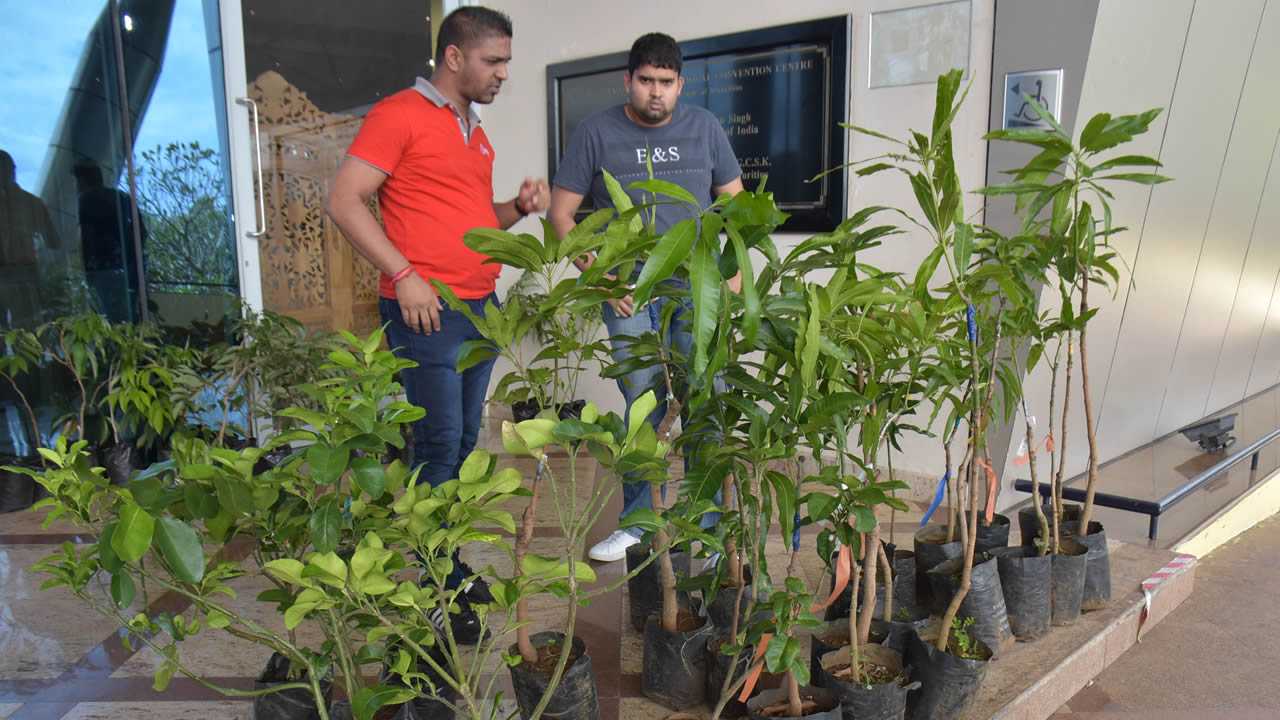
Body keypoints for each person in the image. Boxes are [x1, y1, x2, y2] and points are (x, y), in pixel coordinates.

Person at [325, 6, 549, 644]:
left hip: (480, 310)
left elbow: (471, 225)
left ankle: (445, 564)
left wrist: (516, 208)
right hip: (427, 310)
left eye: (506, 60)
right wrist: (404, 274)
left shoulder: (475, 133)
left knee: (460, 447)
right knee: (438, 444)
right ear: (454, 57)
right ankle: (437, 588)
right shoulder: (398, 114)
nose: (504, 73)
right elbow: (343, 200)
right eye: (493, 61)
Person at [548, 32, 743, 562]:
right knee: (642, 408)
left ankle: (704, 526)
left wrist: (730, 272)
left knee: (703, 402)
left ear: (680, 84)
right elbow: (561, 218)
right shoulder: (595, 132)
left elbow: (736, 208)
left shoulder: (704, 128)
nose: (655, 92)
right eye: (646, 81)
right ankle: (637, 524)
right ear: (628, 81)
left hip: (694, 289)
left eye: (666, 82)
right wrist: (602, 279)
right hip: (628, 292)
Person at [73, 162, 146, 323]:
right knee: (129, 314)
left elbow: (87, 237)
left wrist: (88, 270)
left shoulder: (87, 199)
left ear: (82, 180)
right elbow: (141, 233)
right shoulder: (123, 197)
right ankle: (131, 343)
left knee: (111, 317)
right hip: (130, 267)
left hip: (104, 268)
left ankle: (118, 346)